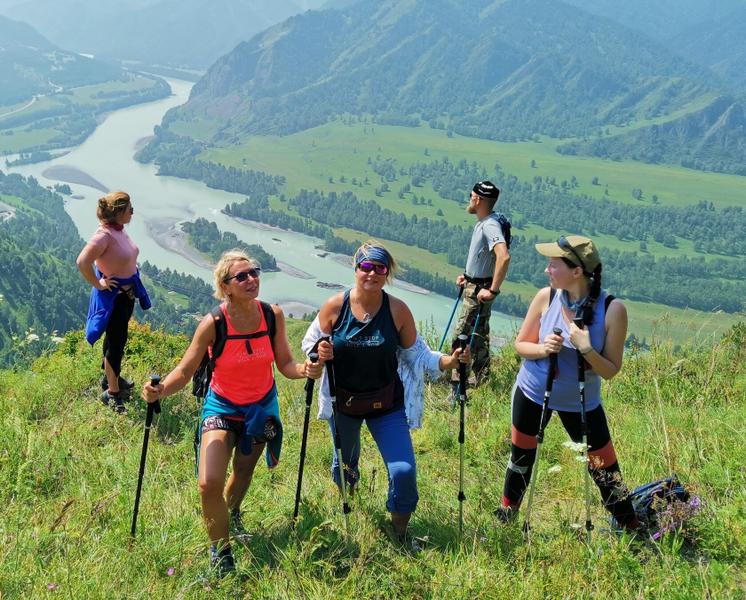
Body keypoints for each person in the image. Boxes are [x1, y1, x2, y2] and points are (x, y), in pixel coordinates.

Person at [142, 250, 324, 576]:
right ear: (225, 286)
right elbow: (185, 371)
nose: (252, 279)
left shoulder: (272, 315)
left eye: (254, 272)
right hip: (222, 404)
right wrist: (159, 391)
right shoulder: (213, 324)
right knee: (208, 482)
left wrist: (305, 370)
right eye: (242, 276)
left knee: (243, 471)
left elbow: (284, 363)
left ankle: (231, 513)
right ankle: (221, 553)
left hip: (261, 405)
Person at [302, 241, 469, 546]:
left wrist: (450, 361)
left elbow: (418, 355)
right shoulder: (334, 307)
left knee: (403, 471)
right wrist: (318, 353)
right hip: (344, 404)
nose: (372, 273)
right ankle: (349, 506)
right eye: (366, 266)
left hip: (386, 404)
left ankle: (400, 535)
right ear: (356, 269)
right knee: (346, 466)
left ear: (387, 273)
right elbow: (310, 344)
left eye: (380, 268)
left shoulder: (397, 310)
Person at [497, 235, 639, 530]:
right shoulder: (545, 297)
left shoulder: (613, 310)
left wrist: (586, 348)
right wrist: (543, 349)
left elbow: (611, 370)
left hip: (582, 402)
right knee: (521, 458)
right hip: (533, 392)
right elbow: (521, 345)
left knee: (604, 469)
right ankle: (506, 514)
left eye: (553, 264)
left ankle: (630, 527)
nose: (547, 270)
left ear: (577, 271)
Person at [77, 191, 150, 413]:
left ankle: (110, 380)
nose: (133, 211)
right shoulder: (104, 236)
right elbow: (82, 261)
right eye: (129, 208)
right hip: (114, 299)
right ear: (118, 212)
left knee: (115, 341)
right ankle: (112, 394)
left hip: (125, 297)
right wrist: (98, 284)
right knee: (116, 347)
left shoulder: (118, 230)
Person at [450, 180, 510, 391]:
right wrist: (468, 277)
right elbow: (485, 259)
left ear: (477, 199)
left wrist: (492, 289)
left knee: (461, 337)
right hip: (475, 287)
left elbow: (503, 257)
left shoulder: (489, 225)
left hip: (478, 293)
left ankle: (457, 386)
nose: (469, 199)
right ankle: (483, 382)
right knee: (478, 338)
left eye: (471, 195)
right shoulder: (487, 221)